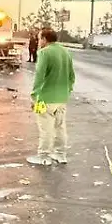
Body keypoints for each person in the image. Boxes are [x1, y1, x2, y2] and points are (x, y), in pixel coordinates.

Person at [28, 28, 75, 165]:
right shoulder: (66, 52)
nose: (38, 42)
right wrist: (67, 91)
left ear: (44, 39)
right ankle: (61, 155)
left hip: (45, 98)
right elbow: (72, 76)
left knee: (45, 128)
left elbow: (39, 76)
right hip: (62, 98)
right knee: (60, 127)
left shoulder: (44, 53)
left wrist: (34, 96)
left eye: (39, 38)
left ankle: (43, 156)